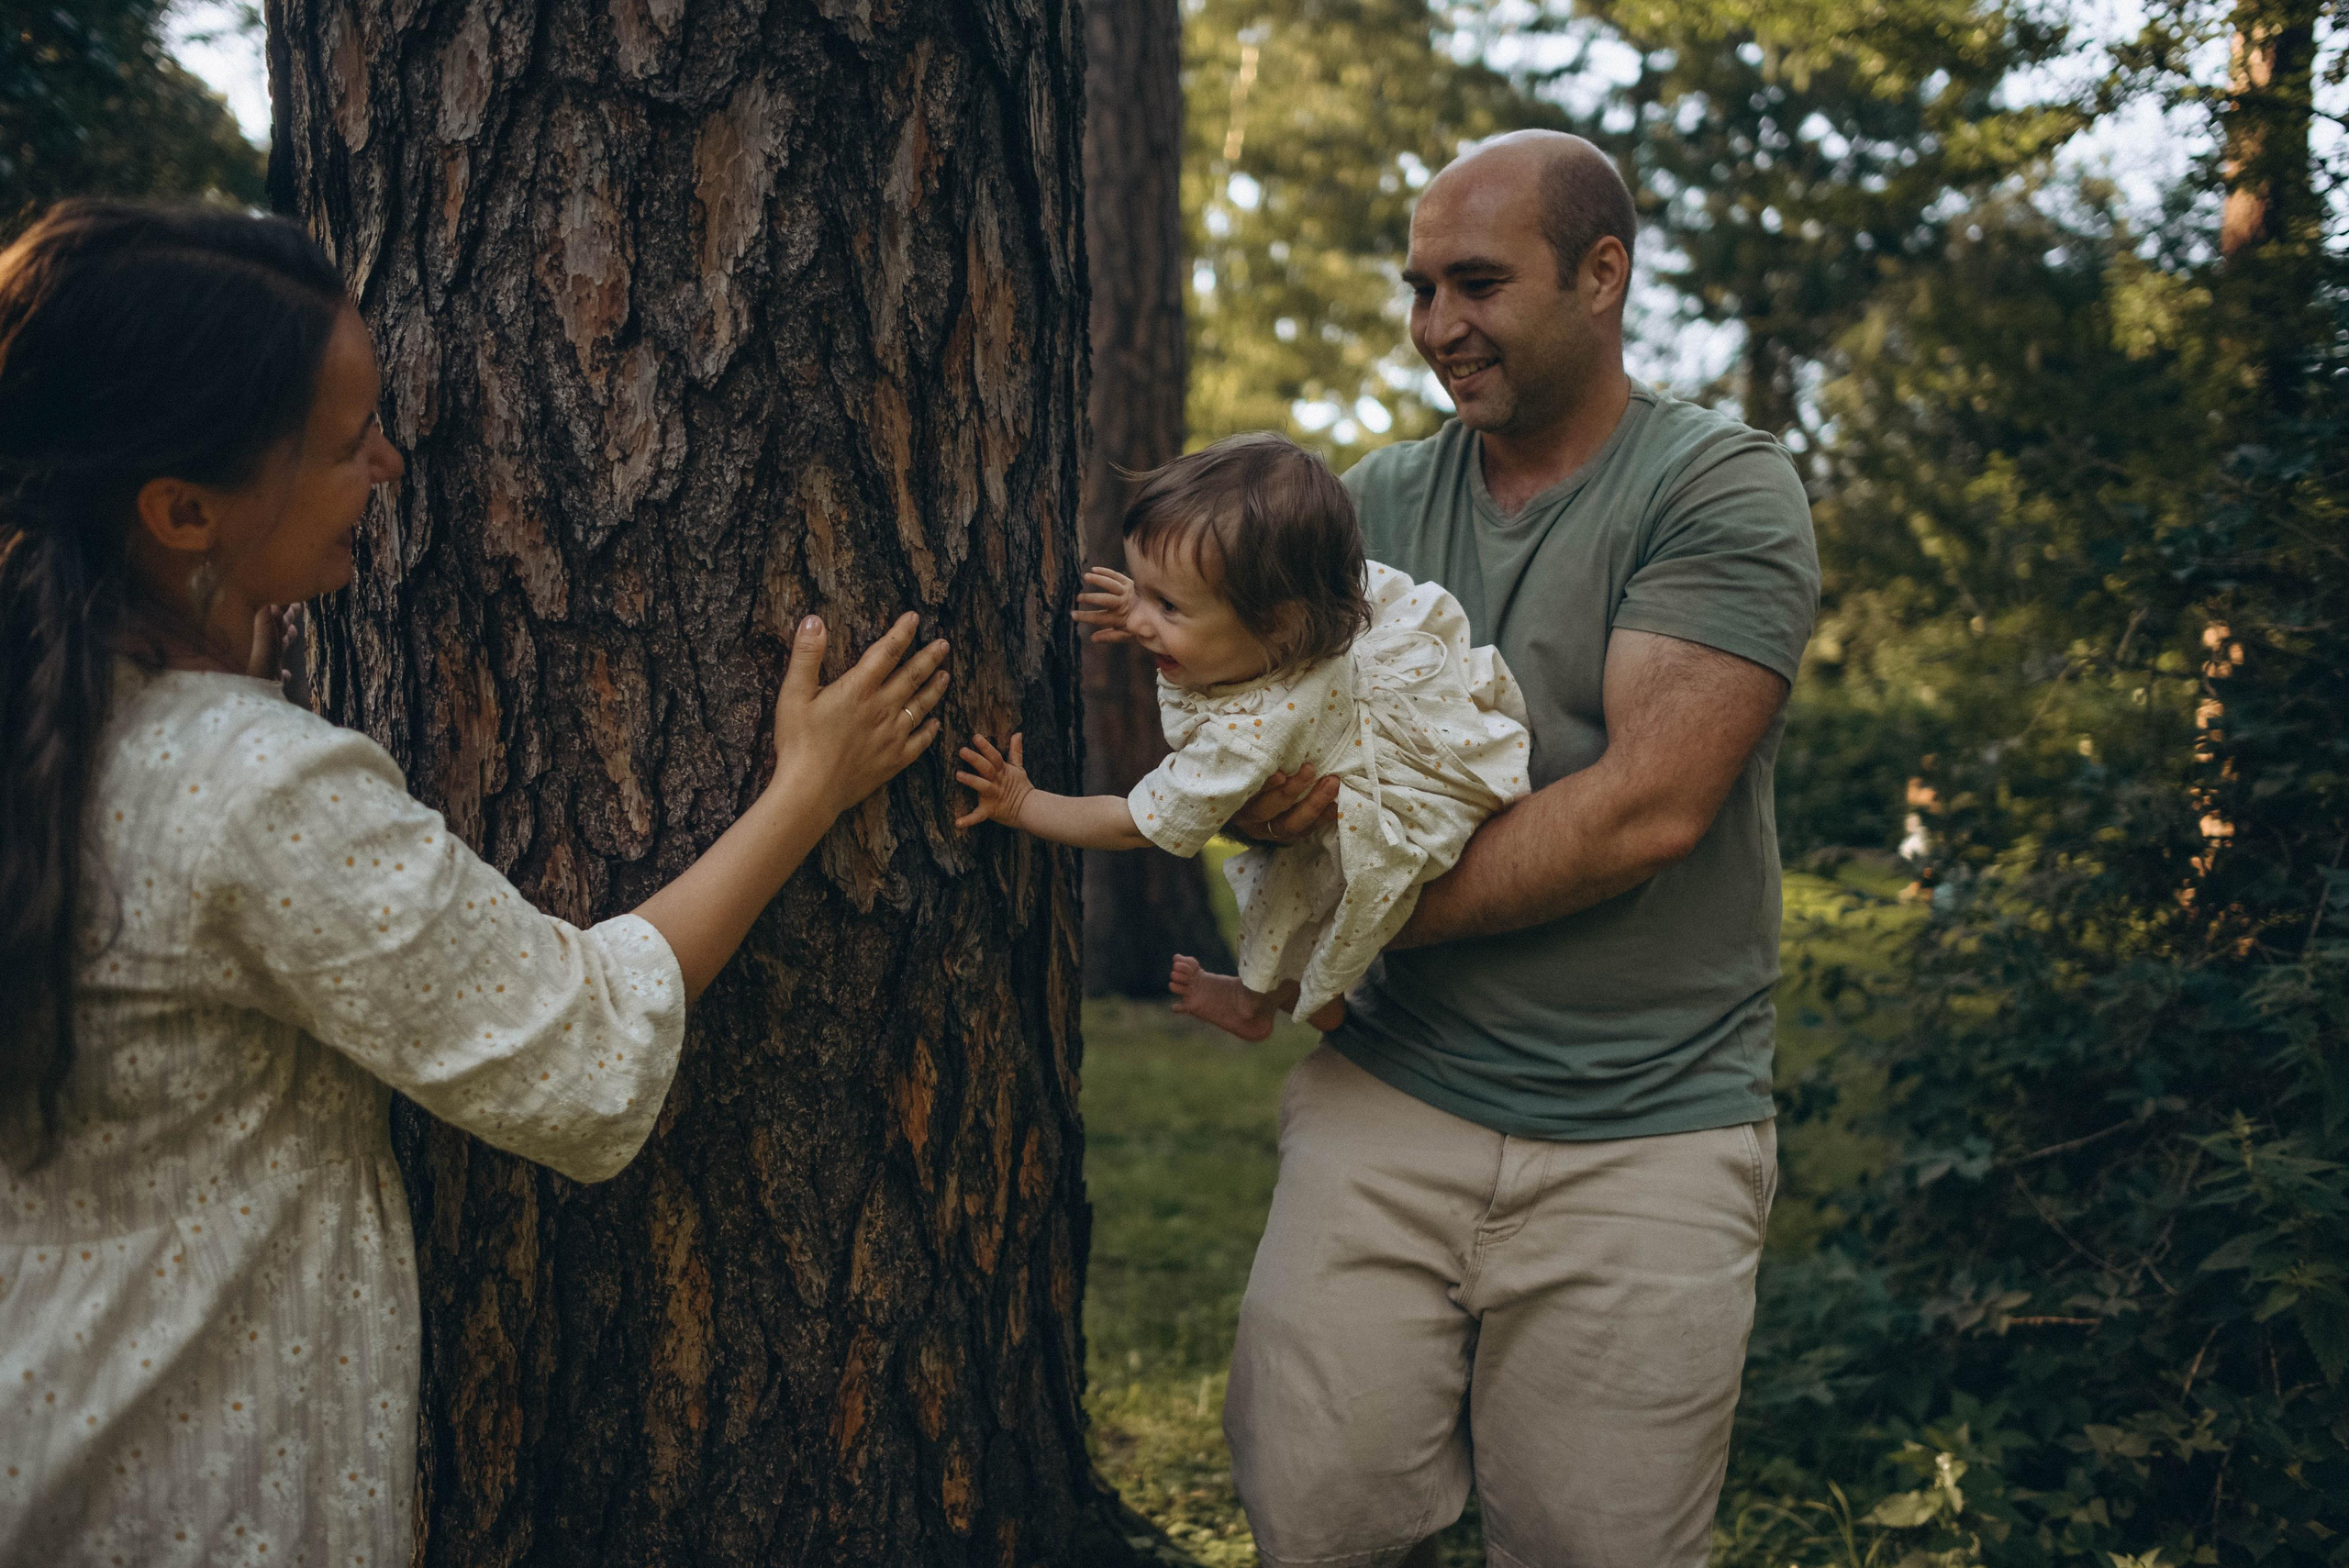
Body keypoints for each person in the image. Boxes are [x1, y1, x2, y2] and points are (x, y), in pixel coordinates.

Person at [0, 201, 950, 1565]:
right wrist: (807, 790)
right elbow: (576, 1051)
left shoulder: (52, 730)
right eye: (343, 446)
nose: (392, 462)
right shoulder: (255, 789)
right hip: (190, 1486)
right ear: (181, 509)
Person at [1216, 132, 1820, 1567]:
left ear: (1601, 274)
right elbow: (1244, 742)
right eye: (1420, 288)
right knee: (1320, 1521)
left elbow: (1644, 811)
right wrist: (1252, 810)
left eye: (1477, 283)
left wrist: (1343, 919)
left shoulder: (1716, 491)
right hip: (1390, 1094)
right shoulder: (1362, 511)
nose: (1437, 327)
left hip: (1652, 1126)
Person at [951, 432, 1531, 1039]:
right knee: (1304, 884)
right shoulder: (1299, 627)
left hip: (1391, 797)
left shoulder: (1253, 733)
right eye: (1141, 587)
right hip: (1373, 728)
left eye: (1168, 606)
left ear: (1275, 624)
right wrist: (1155, 608)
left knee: (1296, 886)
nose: (1141, 617)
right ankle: (1323, 1006)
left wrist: (1022, 803)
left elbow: (1135, 821)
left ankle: (1256, 1007)